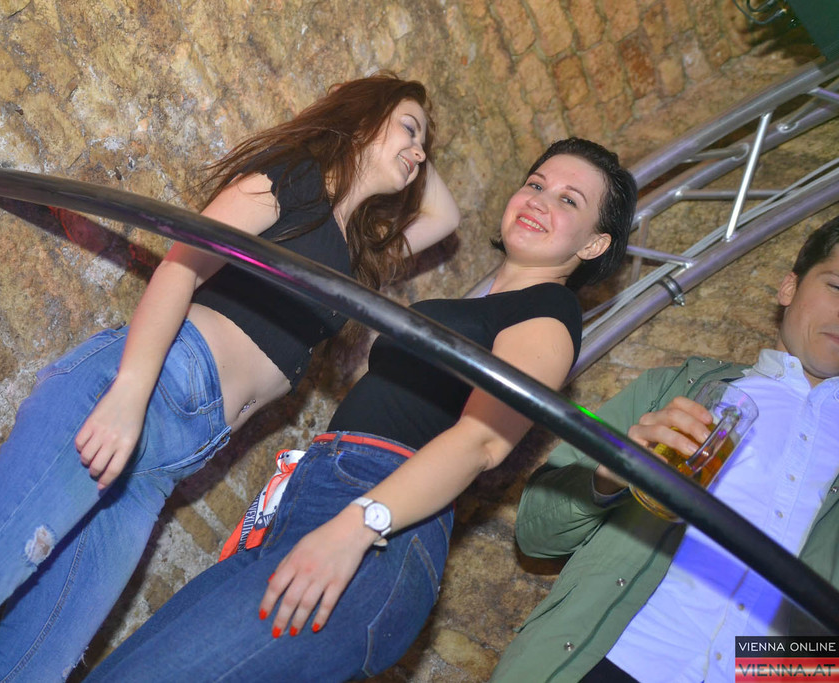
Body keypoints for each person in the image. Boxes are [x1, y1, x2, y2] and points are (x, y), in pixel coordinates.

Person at [0, 73, 461, 681]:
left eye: (424, 145)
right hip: (147, 392)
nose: (417, 152)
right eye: (408, 130)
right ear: (362, 120)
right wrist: (130, 391)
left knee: (25, 672)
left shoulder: (354, 254)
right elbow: (181, 264)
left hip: (163, 466)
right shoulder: (294, 182)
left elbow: (446, 219)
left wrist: (412, 137)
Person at [84, 137, 638, 682]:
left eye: (569, 200)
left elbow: (484, 442)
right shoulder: (490, 306)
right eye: (536, 184)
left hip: (377, 520)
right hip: (328, 493)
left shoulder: (551, 314)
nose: (540, 200)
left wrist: (359, 525)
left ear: (594, 245)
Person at [490, 215, 839, 683]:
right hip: (608, 662)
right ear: (789, 288)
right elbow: (536, 533)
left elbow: (824, 654)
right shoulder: (677, 389)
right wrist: (612, 475)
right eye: (836, 287)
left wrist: (792, 668)